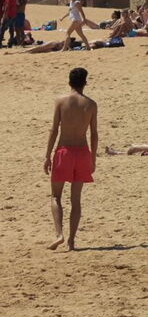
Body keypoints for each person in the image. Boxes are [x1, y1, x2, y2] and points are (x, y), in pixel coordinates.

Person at [45, 67, 98, 251]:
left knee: (55, 196)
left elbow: (54, 130)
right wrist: (93, 159)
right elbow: (94, 135)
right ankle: (72, 241)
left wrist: (47, 156)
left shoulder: (61, 101)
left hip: (64, 152)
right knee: (76, 200)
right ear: (85, 82)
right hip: (83, 152)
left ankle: (59, 234)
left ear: (69, 82)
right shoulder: (91, 105)